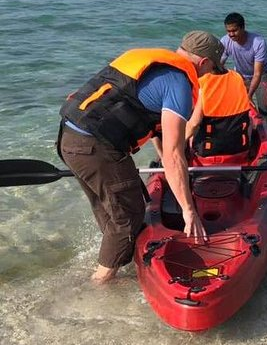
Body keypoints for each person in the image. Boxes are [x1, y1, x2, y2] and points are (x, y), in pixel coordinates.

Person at [58, 30, 222, 284]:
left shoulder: (146, 61)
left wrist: (169, 169)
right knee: (129, 216)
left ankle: (115, 260)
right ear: (203, 62)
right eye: (211, 68)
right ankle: (98, 286)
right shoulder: (179, 82)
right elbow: (174, 153)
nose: (208, 75)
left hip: (69, 138)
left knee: (110, 209)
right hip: (96, 147)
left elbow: (153, 126)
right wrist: (189, 210)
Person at [185, 68, 253, 162]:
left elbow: (194, 124)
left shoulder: (203, 82)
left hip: (207, 153)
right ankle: (249, 151)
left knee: (191, 127)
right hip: (240, 151)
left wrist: (178, 144)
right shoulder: (238, 78)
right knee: (250, 120)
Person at [221, 12, 267, 116]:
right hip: (241, 75)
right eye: (229, 31)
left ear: (243, 28)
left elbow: (257, 73)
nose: (231, 34)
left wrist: (249, 95)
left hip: (262, 74)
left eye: (234, 30)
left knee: (265, 110)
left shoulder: (258, 42)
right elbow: (218, 65)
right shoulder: (225, 41)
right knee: (238, 106)